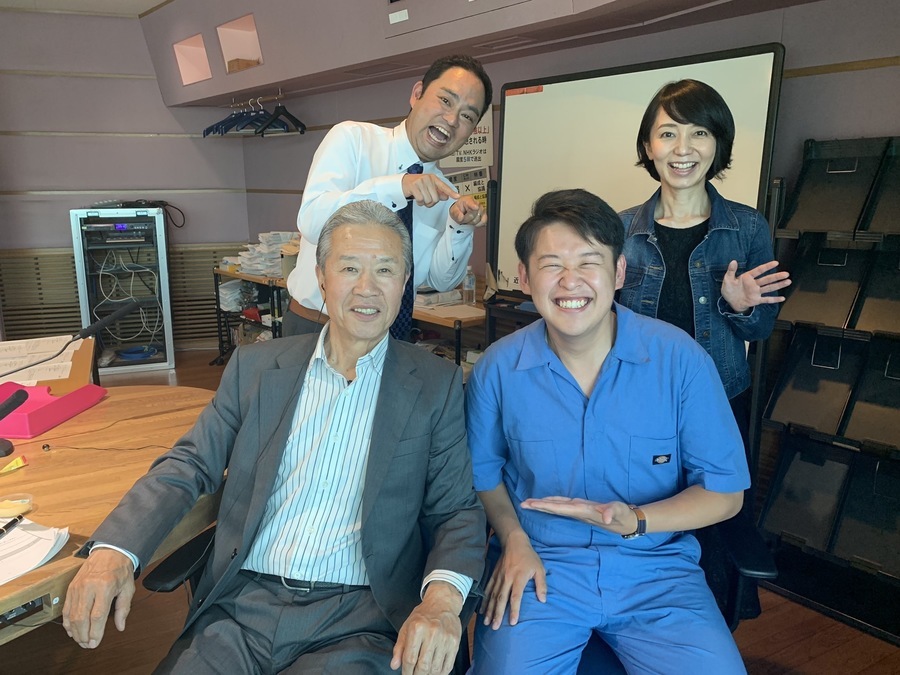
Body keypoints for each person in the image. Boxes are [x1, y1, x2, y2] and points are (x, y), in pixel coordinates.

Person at [62, 200, 486, 675]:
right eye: (349, 267)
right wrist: (114, 551)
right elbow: (189, 464)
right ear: (321, 278)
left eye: (385, 270)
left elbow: (455, 510)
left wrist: (442, 600)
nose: (367, 288)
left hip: (359, 621)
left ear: (404, 282)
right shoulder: (257, 368)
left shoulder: (434, 384)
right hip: (241, 608)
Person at [466, 189, 750, 674]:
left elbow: (725, 493)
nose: (570, 281)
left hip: (657, 572)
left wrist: (636, 520)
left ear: (618, 272)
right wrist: (512, 538)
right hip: (540, 565)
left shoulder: (679, 360)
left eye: (589, 262)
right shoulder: (498, 368)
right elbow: (484, 475)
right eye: (551, 264)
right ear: (524, 277)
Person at [618, 79, 791, 439]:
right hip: (637, 395)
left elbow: (761, 330)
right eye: (668, 134)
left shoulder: (748, 227)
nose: (683, 149)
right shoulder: (620, 229)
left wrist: (743, 307)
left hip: (719, 395)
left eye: (699, 132)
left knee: (717, 479)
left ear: (717, 143)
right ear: (648, 146)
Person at [284, 54, 493, 340]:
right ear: (417, 94)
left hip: (390, 337)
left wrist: (460, 228)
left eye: (467, 116)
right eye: (446, 100)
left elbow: (440, 280)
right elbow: (312, 221)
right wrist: (398, 187)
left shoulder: (445, 193)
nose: (452, 119)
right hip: (317, 327)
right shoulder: (353, 140)